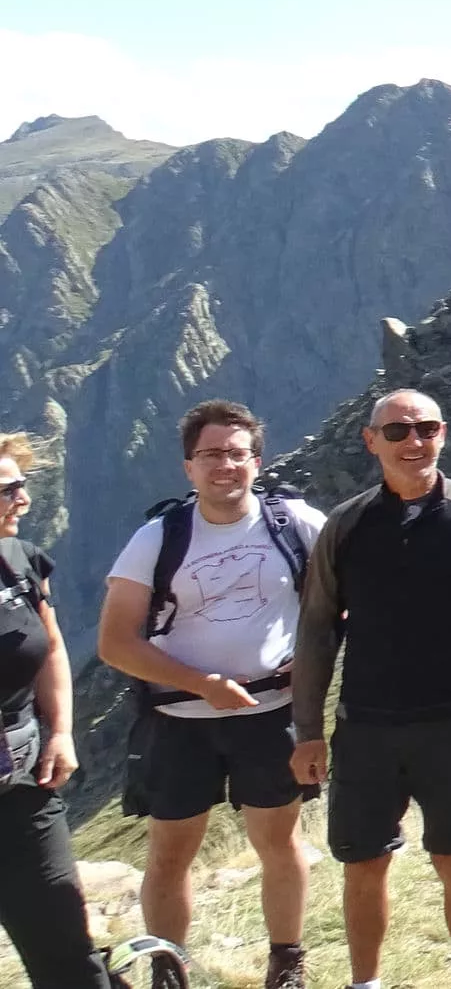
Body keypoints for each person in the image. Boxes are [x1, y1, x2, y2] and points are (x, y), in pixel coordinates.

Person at [291, 390, 451, 989]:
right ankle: (365, 983)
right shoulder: (346, 526)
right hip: (364, 724)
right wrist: (307, 731)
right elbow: (317, 629)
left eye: (425, 429)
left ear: (443, 434)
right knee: (363, 862)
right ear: (370, 441)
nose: (413, 442)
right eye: (396, 431)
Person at [99, 401, 325, 989]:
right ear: (188, 467)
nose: (225, 465)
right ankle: (168, 970)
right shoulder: (157, 539)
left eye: (236, 453)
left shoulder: (296, 524)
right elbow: (115, 642)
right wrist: (201, 685)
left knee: (279, 841)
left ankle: (287, 962)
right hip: (178, 717)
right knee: (171, 852)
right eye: (210, 455)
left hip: (270, 711)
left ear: (257, 460)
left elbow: (352, 596)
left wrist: (319, 656)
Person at [0, 433, 115, 989]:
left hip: (22, 791)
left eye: (22, 486)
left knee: (68, 957)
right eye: (7, 490)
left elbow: (50, 645)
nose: (22, 500)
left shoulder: (21, 561)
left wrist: (62, 731)